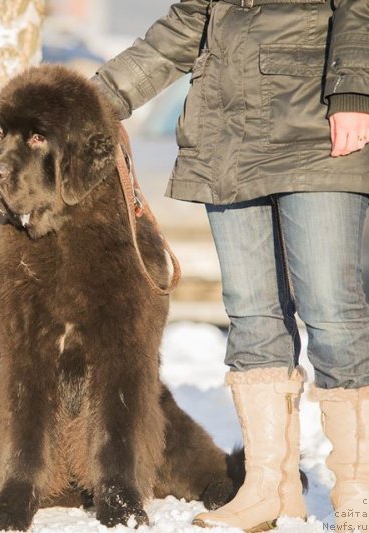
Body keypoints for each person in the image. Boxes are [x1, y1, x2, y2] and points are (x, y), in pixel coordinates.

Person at [92, 0, 368, 530]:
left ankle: (357, 485)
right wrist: (94, 98)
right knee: (251, 314)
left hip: (318, 127)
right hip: (228, 138)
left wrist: (355, 92)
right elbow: (184, 25)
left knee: (333, 312)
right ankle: (270, 485)